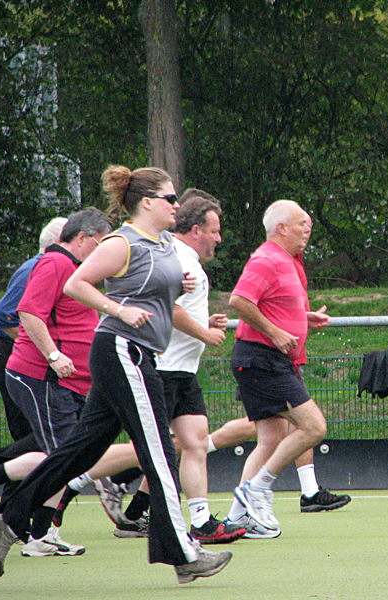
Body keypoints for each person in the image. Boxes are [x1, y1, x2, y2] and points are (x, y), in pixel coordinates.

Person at [0, 165, 231, 584]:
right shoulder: (122, 242)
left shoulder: (166, 242)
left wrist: (178, 289)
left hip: (137, 354)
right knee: (160, 452)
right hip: (120, 351)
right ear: (147, 202)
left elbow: (154, 292)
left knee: (81, 451)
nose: (177, 205)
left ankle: (7, 518)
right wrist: (118, 310)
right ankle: (183, 554)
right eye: (170, 198)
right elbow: (77, 284)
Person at [0, 208, 111, 558]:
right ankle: (1, 495)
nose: (105, 252)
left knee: (61, 456)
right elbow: (27, 311)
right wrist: (54, 356)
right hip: (41, 377)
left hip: (63, 381)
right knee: (63, 458)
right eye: (102, 243)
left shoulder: (74, 268)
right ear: (84, 239)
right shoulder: (55, 263)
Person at [222, 200, 331, 538]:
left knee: (270, 440)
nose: (307, 230)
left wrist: (302, 320)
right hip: (261, 358)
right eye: (302, 224)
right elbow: (239, 301)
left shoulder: (285, 261)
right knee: (313, 427)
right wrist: (274, 331)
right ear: (281, 228)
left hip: (265, 358)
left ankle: (238, 519)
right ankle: (258, 488)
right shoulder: (268, 258)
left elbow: (272, 305)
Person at [152, 188, 245, 544]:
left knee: (194, 442)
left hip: (182, 371)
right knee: (141, 449)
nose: (219, 239)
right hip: (161, 368)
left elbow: (182, 309)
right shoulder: (178, 257)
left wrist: (207, 323)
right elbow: (169, 310)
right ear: (195, 230)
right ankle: (73, 485)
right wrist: (206, 333)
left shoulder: (185, 259)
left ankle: (202, 522)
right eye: (215, 231)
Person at [0, 217, 67, 441]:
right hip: (10, 351)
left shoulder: (49, 267)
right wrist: (41, 347)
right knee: (31, 427)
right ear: (59, 242)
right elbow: (4, 314)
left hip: (24, 353)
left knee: (41, 426)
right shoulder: (34, 269)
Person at [208, 416, 351, 514]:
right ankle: (201, 446)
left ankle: (310, 493)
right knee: (265, 425)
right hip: (265, 373)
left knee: (301, 421)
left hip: (283, 371)